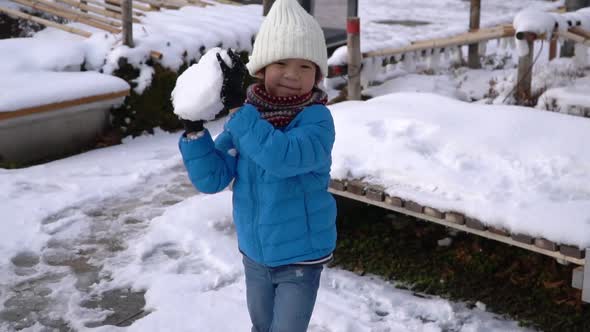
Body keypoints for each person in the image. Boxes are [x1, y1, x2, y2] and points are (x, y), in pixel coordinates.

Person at [178, 0, 336, 330]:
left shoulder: (317, 120)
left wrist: (240, 113)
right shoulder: (248, 118)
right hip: (255, 255)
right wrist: (194, 132)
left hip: (300, 259)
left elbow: (282, 158)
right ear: (261, 69)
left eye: (305, 66)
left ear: (317, 74)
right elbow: (214, 178)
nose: (293, 74)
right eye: (281, 62)